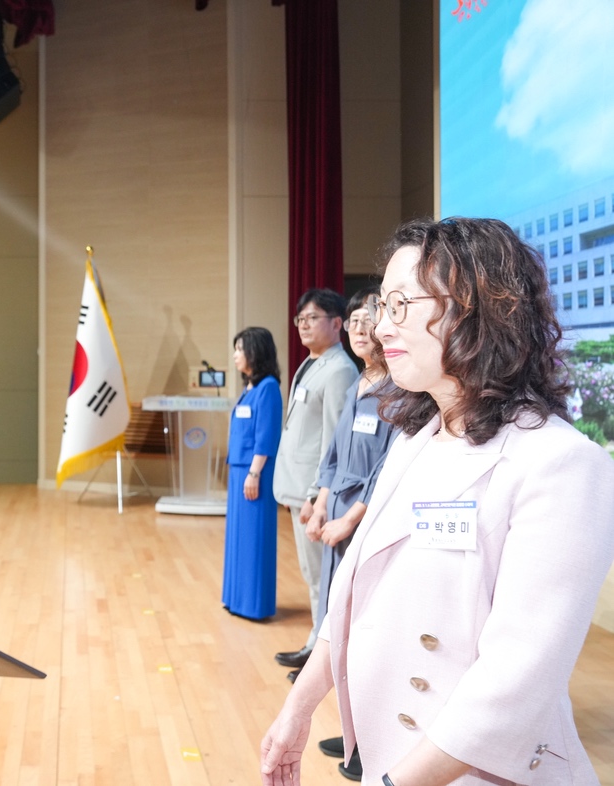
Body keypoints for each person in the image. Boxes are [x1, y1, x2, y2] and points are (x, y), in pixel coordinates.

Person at [261, 217, 614, 785]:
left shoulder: (562, 464)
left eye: (400, 304)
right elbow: (351, 589)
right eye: (382, 305)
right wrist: (296, 711)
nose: (380, 326)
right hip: (393, 758)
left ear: (476, 309)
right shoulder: (413, 440)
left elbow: (514, 682)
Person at [302, 289, 400, 779]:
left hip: (366, 517)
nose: (361, 328)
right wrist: (321, 502)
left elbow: (386, 468)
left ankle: (371, 740)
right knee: (335, 623)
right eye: (356, 320)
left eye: (370, 318)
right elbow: (334, 453)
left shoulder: (402, 391)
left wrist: (349, 518)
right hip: (337, 512)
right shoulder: (358, 383)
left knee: (364, 629)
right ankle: (353, 729)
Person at [271, 290, 359, 674]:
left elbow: (332, 439)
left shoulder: (340, 370)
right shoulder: (311, 363)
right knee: (310, 573)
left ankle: (320, 651)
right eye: (300, 320)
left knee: (320, 575)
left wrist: (314, 495)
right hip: (295, 483)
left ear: (336, 323)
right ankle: (315, 639)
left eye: (313, 318)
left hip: (313, 492)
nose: (304, 326)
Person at [222, 327, 283, 620]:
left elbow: (266, 435)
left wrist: (254, 473)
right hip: (238, 472)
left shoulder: (269, 387)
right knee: (238, 537)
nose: (235, 355)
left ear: (255, 352)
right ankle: (235, 598)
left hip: (253, 472)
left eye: (240, 349)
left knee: (253, 538)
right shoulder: (250, 389)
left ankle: (253, 604)